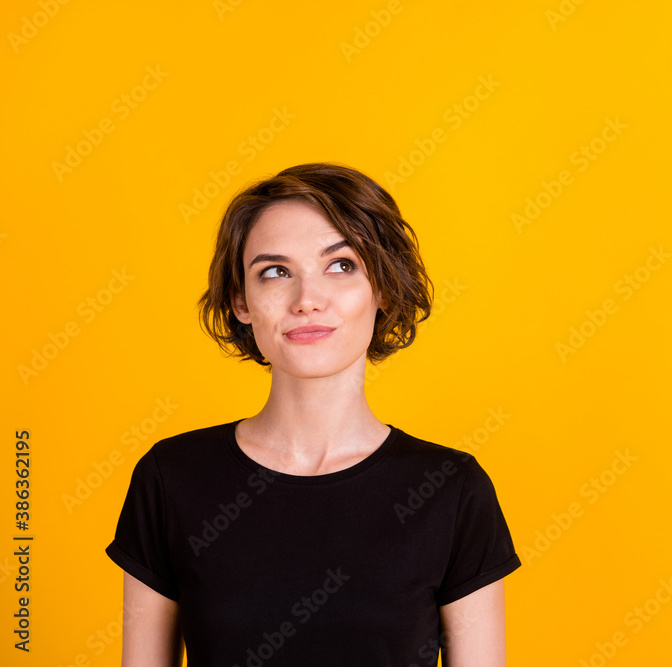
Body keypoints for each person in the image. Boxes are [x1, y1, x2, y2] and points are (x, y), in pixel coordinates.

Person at [105, 162, 521, 666]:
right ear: (241, 300)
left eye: (341, 265)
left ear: (383, 290)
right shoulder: (171, 478)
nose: (307, 301)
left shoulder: (453, 490)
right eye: (275, 272)